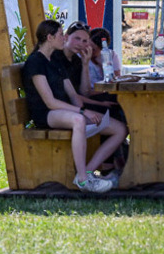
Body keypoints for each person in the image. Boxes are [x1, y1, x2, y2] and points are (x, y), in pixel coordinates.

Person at [22, 20, 128, 193]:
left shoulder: (55, 61)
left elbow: (74, 95)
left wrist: (92, 109)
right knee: (78, 120)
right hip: (47, 113)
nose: (63, 37)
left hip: (64, 111)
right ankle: (83, 180)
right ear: (49, 37)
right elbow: (50, 102)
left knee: (119, 129)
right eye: (60, 34)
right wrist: (83, 111)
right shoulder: (36, 62)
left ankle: (87, 172)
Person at [55, 22, 127, 176]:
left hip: (76, 106)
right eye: (77, 39)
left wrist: (85, 64)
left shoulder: (76, 59)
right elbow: (76, 97)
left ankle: (105, 167)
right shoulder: (57, 59)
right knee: (113, 112)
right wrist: (97, 103)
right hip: (65, 111)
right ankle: (109, 166)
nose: (81, 44)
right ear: (66, 37)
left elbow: (84, 92)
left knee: (115, 111)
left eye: (84, 41)